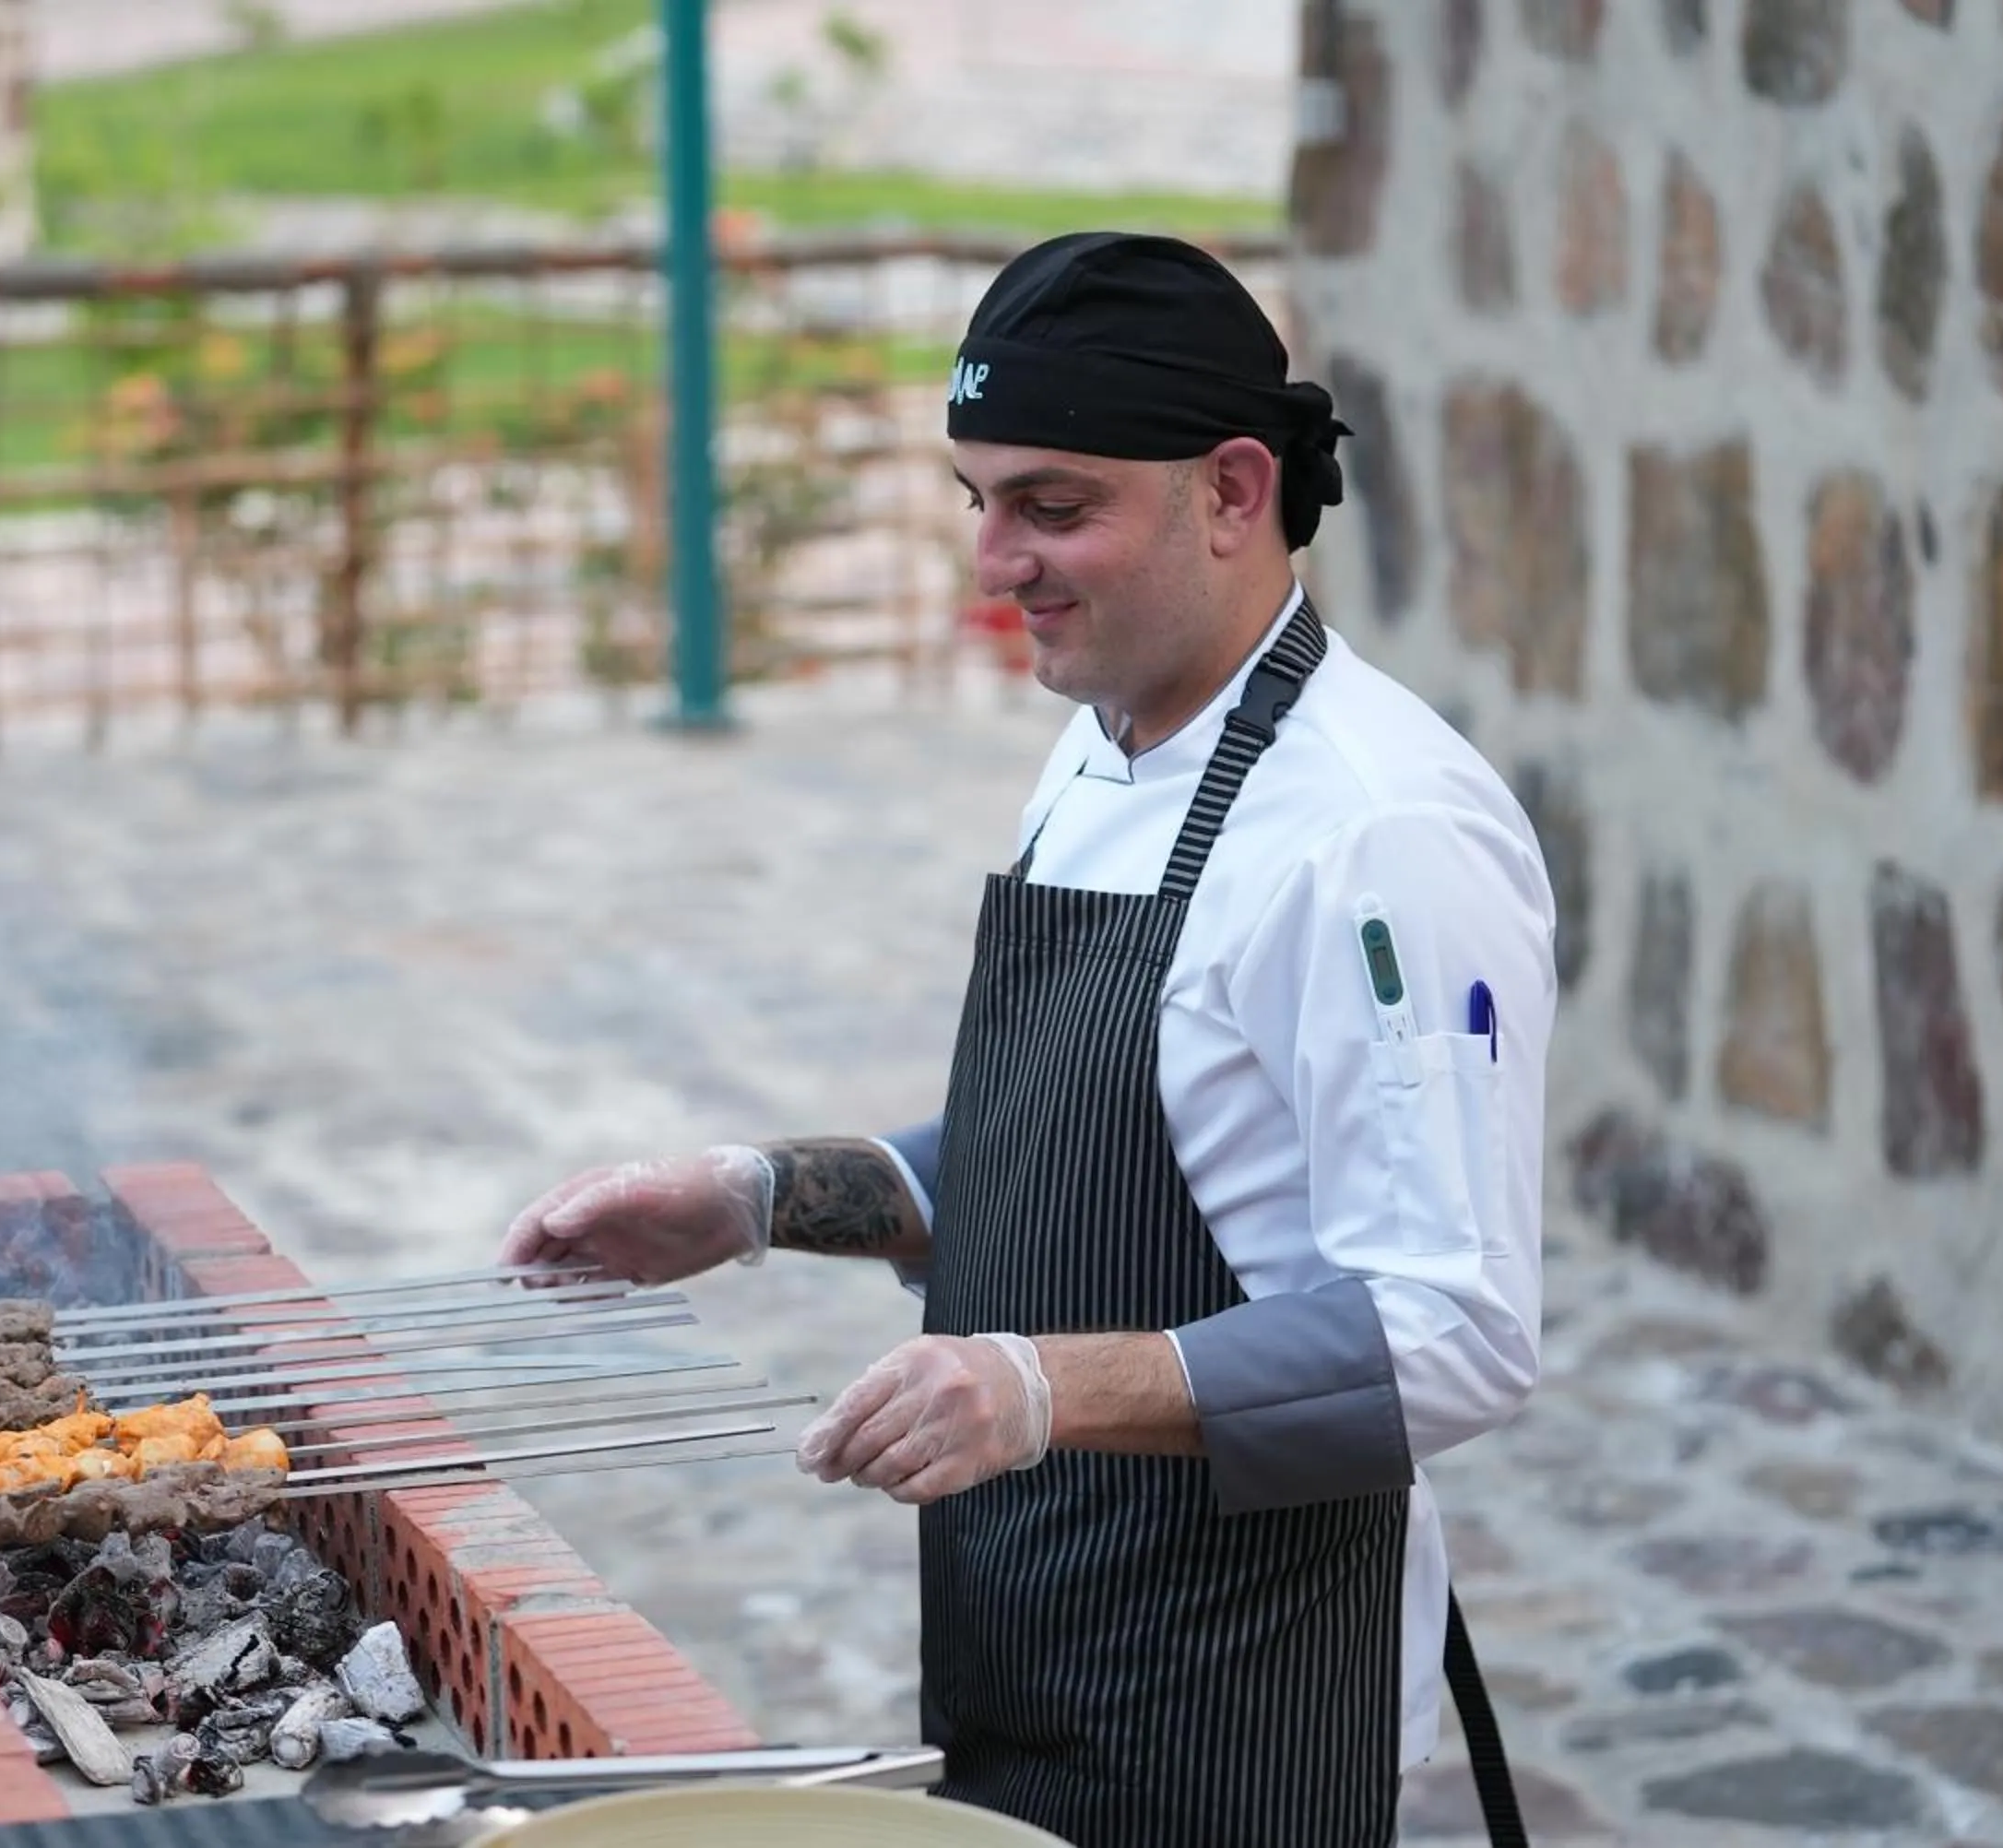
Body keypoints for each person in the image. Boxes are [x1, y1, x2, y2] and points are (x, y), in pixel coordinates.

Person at [498, 231, 1555, 1848]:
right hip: (1031, 1629)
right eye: (976, 500)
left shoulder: (1380, 835)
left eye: (1055, 507)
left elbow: (1455, 1327)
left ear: (1232, 489)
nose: (996, 562)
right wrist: (757, 1197)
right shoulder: (1100, 743)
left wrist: (1038, 1389)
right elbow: (1070, 1147)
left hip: (1240, 1690)